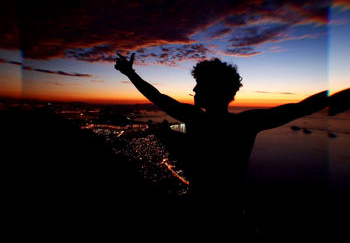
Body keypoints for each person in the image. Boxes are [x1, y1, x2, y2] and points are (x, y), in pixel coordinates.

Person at [114, 52, 349, 234]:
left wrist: (130, 74)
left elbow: (157, 97)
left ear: (213, 90)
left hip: (199, 211)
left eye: (200, 84)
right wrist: (341, 96)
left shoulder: (196, 118)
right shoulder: (245, 123)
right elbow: (301, 108)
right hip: (231, 214)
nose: (194, 89)